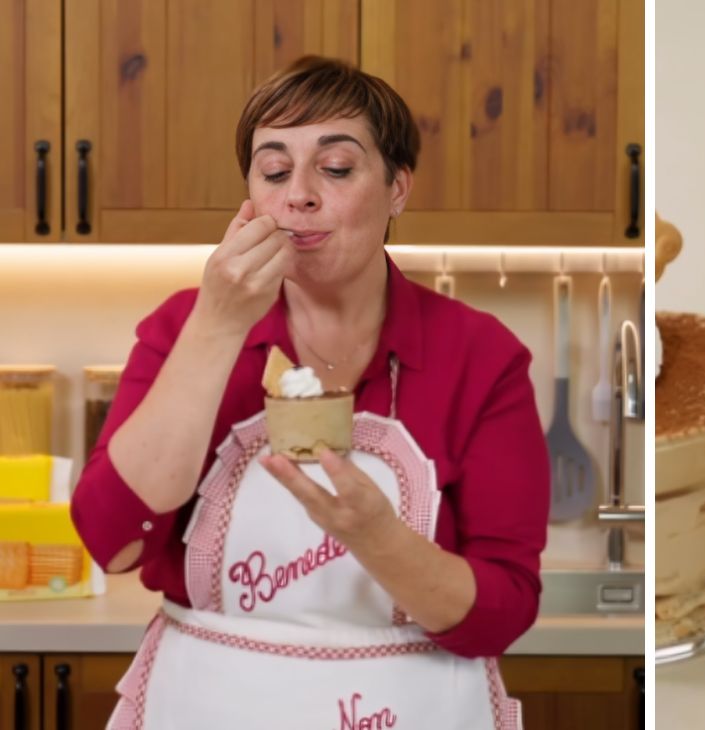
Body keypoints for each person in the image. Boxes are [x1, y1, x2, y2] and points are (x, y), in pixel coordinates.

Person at [71, 55, 547, 729]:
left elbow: (503, 611)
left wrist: (381, 539)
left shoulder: (481, 357)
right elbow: (112, 542)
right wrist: (218, 324)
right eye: (274, 170)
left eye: (337, 167)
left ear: (398, 188)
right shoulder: (184, 327)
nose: (298, 194)